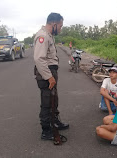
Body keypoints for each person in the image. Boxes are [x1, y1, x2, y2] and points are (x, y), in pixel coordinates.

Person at [34, 12, 69, 140]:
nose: (60, 29)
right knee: (47, 101)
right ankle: (46, 130)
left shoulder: (49, 35)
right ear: (54, 24)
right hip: (46, 72)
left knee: (54, 99)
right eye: (60, 26)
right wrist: (49, 77)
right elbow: (39, 59)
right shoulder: (43, 36)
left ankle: (55, 122)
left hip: (50, 71)